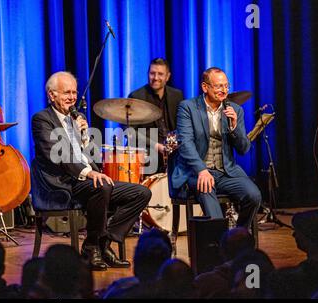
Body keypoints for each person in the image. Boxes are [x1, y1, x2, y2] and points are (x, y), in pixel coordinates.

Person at [31, 71, 151, 271]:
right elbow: (59, 154)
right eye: (66, 93)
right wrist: (88, 173)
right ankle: (94, 247)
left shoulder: (78, 119)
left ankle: (100, 244)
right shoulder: (42, 120)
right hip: (61, 184)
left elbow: (93, 157)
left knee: (141, 192)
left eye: (74, 92)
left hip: (86, 181)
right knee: (101, 186)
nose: (72, 97)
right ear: (52, 95)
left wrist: (85, 137)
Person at [171, 67, 261, 228]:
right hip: (196, 172)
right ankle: (219, 242)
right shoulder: (188, 107)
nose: (224, 90)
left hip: (226, 172)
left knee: (253, 195)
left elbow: (243, 149)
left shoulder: (235, 110)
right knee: (211, 205)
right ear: (205, 87)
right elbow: (185, 143)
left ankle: (238, 236)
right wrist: (201, 170)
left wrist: (235, 128)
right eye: (219, 86)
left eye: (226, 86)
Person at [128, 58, 183, 173]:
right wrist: (157, 146)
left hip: (173, 146)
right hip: (149, 148)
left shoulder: (177, 95)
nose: (156, 78)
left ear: (167, 77)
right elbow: (130, 133)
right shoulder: (137, 96)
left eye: (160, 74)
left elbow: (182, 125)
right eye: (152, 73)